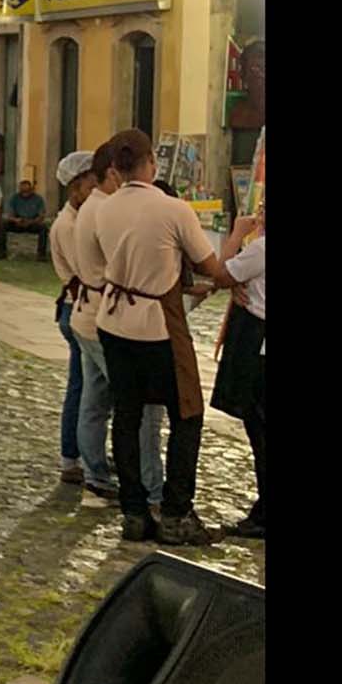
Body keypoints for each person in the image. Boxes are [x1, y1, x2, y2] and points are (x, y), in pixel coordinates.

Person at [91, 129, 239, 546]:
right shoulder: (172, 209)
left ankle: (134, 511)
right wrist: (235, 247)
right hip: (157, 324)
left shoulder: (104, 207)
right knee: (186, 413)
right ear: (151, 162)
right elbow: (211, 266)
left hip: (114, 321)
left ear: (116, 168)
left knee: (127, 415)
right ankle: (175, 511)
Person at [69, 144, 164, 511]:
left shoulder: (91, 207)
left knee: (95, 400)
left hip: (89, 313)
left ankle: (96, 475)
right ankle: (146, 486)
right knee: (136, 406)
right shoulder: (103, 209)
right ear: (112, 173)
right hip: (102, 317)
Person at [212, 210, 265, 538]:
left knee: (259, 427)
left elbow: (220, 275)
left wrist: (235, 235)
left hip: (257, 341)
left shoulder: (260, 249)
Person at [47, 151, 98, 485]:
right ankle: (72, 456)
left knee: (87, 387)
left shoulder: (80, 219)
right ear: (76, 186)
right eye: (91, 185)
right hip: (76, 307)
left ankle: (84, 452)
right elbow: (85, 269)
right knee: (82, 388)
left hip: (78, 305)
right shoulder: (69, 225)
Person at [0, 178, 49, 259]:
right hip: (18, 222)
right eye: (23, 191)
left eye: (27, 191)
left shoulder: (38, 199)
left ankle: (41, 255)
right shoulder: (14, 198)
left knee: (43, 228)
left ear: (31, 190)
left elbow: (41, 215)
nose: (25, 193)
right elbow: (9, 214)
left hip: (32, 222)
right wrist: (16, 220)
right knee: (3, 225)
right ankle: (1, 252)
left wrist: (31, 222)